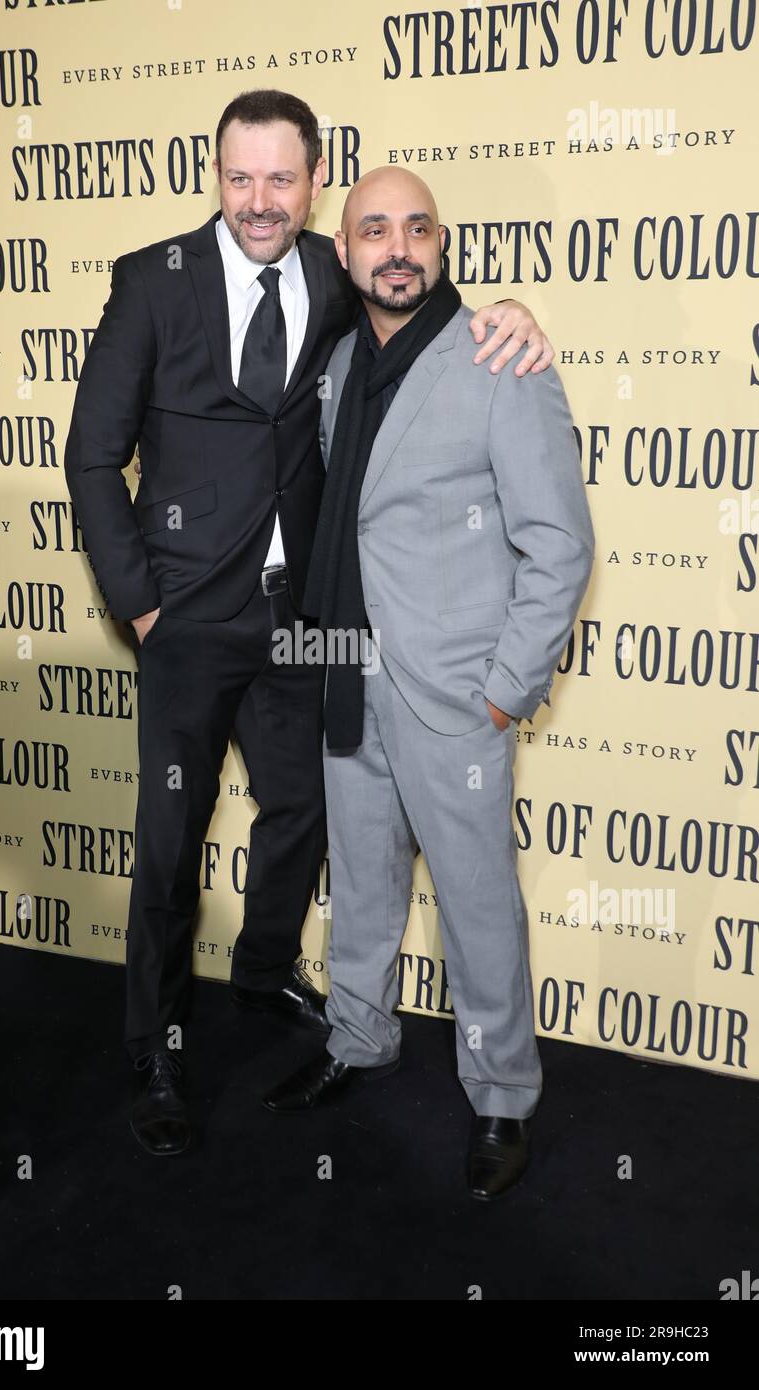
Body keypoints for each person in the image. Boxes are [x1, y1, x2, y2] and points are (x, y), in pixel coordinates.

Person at [64, 88, 554, 1159]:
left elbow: (419, 316)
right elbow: (92, 456)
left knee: (306, 812)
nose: (257, 200)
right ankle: (155, 1046)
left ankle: (261, 969)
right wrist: (142, 601)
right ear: (215, 175)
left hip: (305, 627)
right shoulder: (154, 283)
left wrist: (508, 316)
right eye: (239, 177)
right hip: (186, 619)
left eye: (280, 178)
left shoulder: (335, 277)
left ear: (312, 182)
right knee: (167, 845)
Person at [262, 167, 595, 1202]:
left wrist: (501, 689)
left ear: (438, 245)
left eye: (415, 229)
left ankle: (501, 1092)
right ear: (344, 249)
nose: (395, 247)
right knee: (360, 883)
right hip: (348, 672)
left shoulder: (498, 357)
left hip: (453, 694)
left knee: (476, 904)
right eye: (373, 230)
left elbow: (559, 545)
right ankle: (359, 1035)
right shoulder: (334, 363)